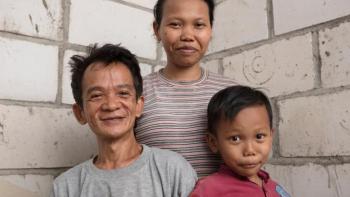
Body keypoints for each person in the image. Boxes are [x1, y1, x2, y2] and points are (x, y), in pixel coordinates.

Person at [50, 44, 197, 197]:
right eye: (96, 95)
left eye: (123, 93)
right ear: (80, 113)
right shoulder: (65, 188)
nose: (111, 105)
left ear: (139, 105)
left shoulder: (174, 171)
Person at [135, 0, 237, 177]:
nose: (188, 35)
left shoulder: (232, 93)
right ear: (157, 29)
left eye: (199, 25)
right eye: (175, 24)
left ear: (210, 30)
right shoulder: (136, 93)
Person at [190, 85, 291, 197]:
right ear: (213, 142)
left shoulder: (274, 187)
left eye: (259, 136)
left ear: (271, 136)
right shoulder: (209, 189)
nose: (249, 150)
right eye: (235, 139)